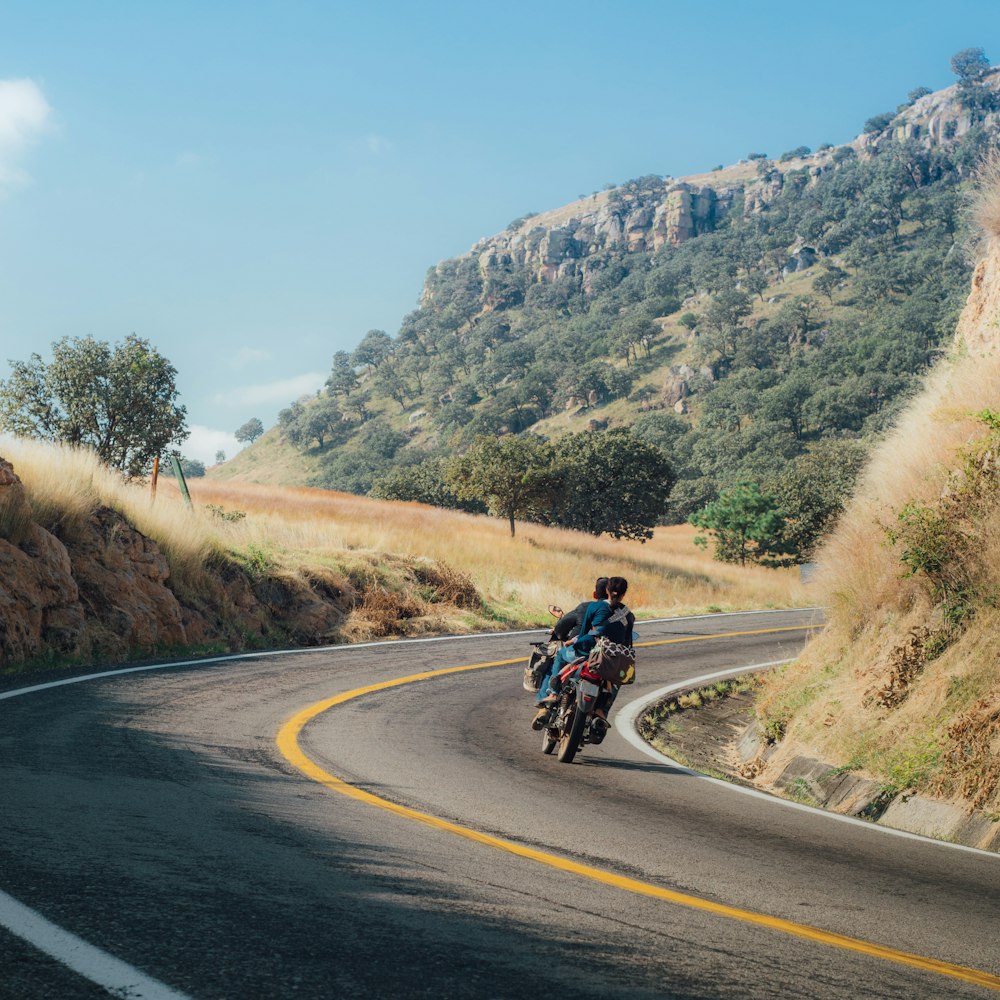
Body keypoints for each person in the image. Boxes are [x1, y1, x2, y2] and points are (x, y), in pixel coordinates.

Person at [532, 576, 632, 730]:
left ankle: (552, 694)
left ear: (602, 591)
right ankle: (601, 712)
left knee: (560, 655)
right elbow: (627, 642)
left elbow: (585, 632)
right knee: (616, 680)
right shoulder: (628, 614)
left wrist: (573, 641)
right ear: (624, 594)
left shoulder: (591, 607)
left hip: (586, 653)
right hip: (609, 661)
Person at [532, 578, 608, 713]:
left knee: (558, 659)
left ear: (595, 594)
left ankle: (547, 702)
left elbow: (563, 627)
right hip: (604, 659)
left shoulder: (586, 607)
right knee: (610, 682)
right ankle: (601, 712)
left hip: (583, 653)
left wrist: (564, 636)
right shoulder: (620, 612)